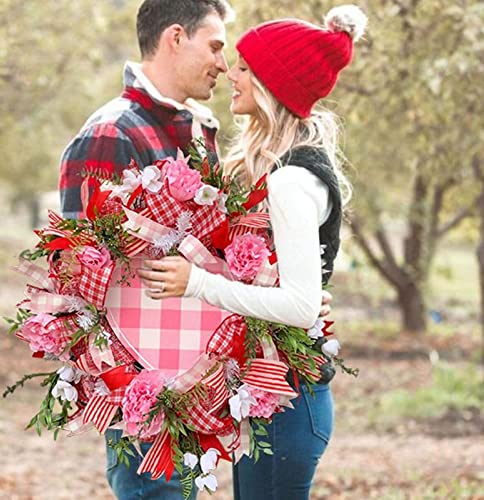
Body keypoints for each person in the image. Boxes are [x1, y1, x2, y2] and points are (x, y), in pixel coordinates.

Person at [59, 0, 333, 498]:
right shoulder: (111, 132)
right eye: (216, 47)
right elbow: (79, 277)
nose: (224, 65)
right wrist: (132, 392)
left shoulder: (201, 130)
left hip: (201, 384)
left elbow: (220, 248)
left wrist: (289, 290)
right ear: (175, 37)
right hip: (146, 388)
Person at [138, 5, 367, 500]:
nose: (229, 73)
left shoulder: (290, 180)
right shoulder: (280, 168)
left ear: (272, 83)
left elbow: (301, 305)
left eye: (244, 67)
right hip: (270, 395)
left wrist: (197, 283)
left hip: (288, 401)